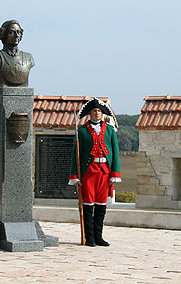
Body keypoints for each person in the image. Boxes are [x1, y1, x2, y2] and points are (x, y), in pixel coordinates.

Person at [69, 97, 121, 247]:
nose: (97, 113)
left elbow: (115, 153)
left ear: (102, 113)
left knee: (101, 206)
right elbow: (76, 156)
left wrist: (115, 174)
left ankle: (99, 236)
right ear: (90, 113)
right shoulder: (82, 131)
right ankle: (89, 237)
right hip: (89, 173)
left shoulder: (110, 131)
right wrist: (75, 176)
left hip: (105, 172)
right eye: (94, 111)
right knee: (88, 205)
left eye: (99, 111)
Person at [0, 19, 35, 87]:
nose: (16, 35)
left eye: (19, 32)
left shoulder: (28, 58)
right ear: (4, 35)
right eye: (12, 32)